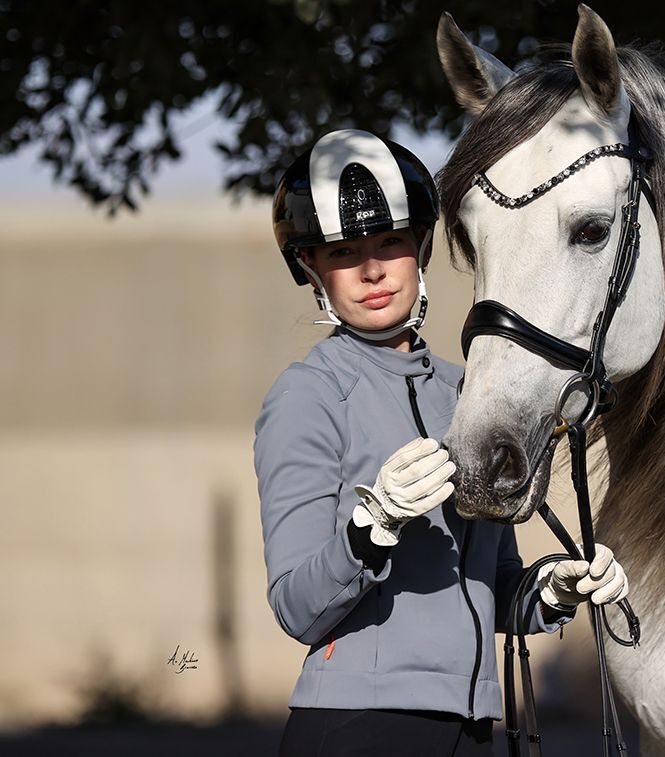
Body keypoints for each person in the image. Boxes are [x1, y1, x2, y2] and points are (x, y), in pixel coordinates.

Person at [253, 129, 630, 757]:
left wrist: (552, 590)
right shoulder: (307, 395)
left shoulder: (467, 393)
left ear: (422, 247)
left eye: (391, 241)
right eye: (344, 252)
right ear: (310, 267)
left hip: (475, 725)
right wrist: (370, 528)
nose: (372, 269)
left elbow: (495, 585)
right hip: (359, 725)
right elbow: (297, 607)